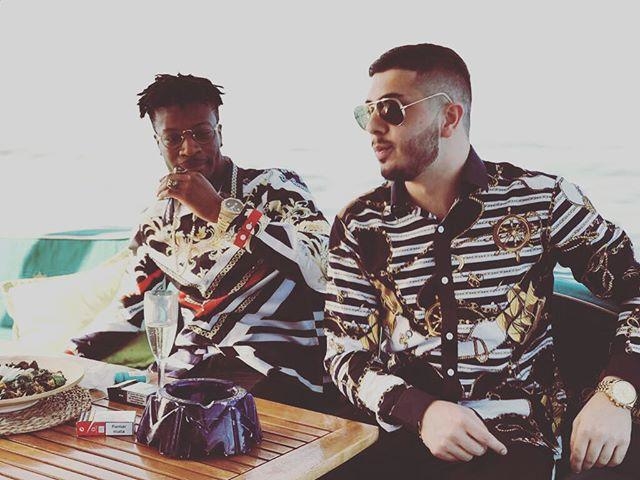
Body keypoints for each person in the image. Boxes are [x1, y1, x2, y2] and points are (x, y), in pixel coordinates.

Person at [324, 43, 640, 479]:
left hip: (515, 440)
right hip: (400, 429)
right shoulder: (359, 224)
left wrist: (616, 393)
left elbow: (634, 286)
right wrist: (422, 411)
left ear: (449, 117)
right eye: (367, 113)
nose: (374, 127)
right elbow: (343, 353)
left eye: (391, 110)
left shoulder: (541, 200)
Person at [71, 73, 330, 409]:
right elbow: (131, 306)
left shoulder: (274, 188)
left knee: (197, 419)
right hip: (185, 370)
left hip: (275, 368)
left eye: (202, 134)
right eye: (173, 138)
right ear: (157, 142)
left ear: (219, 131)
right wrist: (70, 354)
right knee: (102, 413)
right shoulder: (156, 221)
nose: (189, 149)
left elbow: (323, 267)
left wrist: (223, 213)